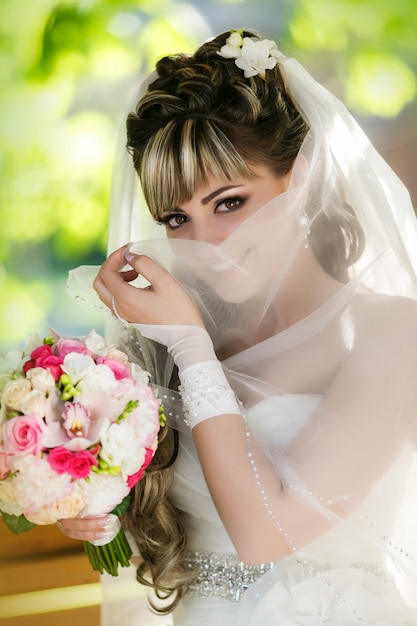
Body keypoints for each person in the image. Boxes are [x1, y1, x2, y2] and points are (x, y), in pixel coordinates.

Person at [63, 29, 417, 624]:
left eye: (229, 202)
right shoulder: (159, 344)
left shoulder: (394, 333)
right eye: (177, 218)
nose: (205, 244)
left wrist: (194, 350)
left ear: (300, 177)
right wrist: (95, 504)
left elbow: (267, 533)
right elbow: (161, 524)